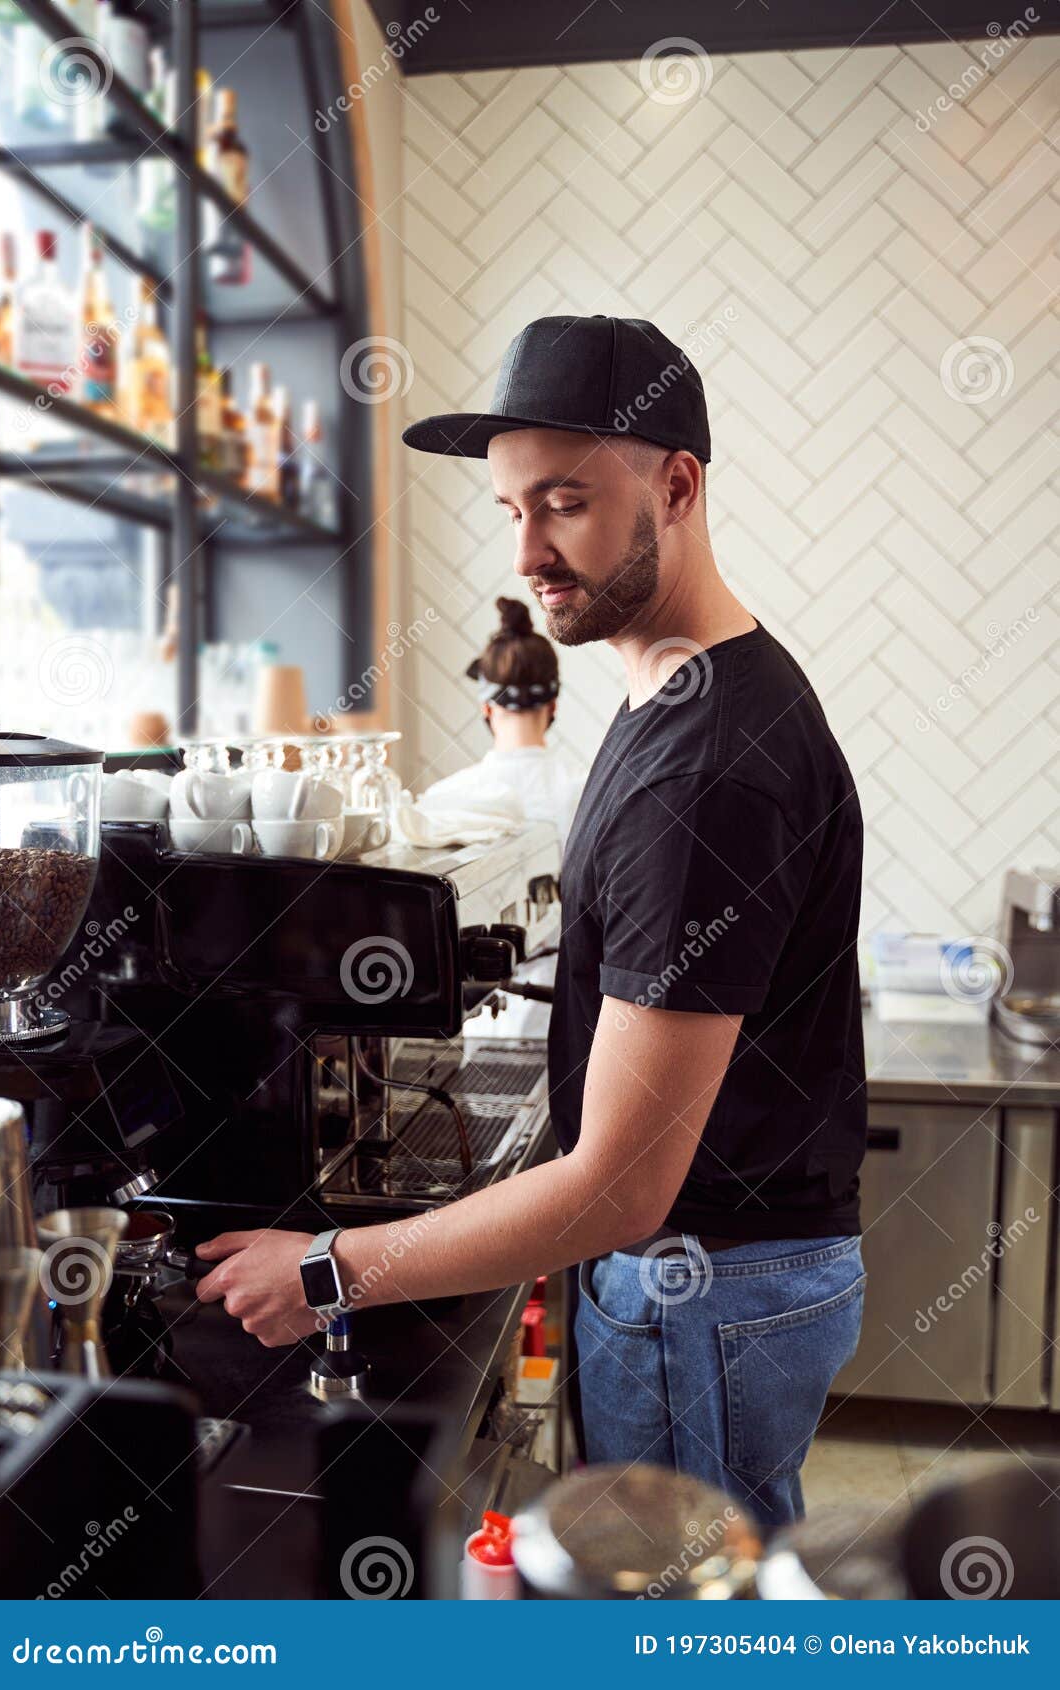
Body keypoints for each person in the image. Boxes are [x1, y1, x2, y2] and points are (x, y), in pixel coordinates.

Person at [196, 314, 868, 1529]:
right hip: (719, 1280)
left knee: (674, 1635)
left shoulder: (702, 766)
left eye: (562, 502)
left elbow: (618, 1186)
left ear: (676, 484)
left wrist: (327, 1270)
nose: (528, 552)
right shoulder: (675, 690)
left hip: (699, 1284)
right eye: (511, 509)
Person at [420, 594, 584, 1041]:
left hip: (474, 1012)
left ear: (486, 706)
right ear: (553, 704)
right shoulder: (588, 791)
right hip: (569, 1007)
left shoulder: (444, 801)